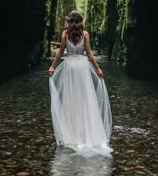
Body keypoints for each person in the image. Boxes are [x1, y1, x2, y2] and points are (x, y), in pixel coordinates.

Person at [48, 10, 112, 157]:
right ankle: (85, 132)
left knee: (70, 100)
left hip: (69, 67)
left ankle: (71, 133)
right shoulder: (86, 35)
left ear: (70, 21)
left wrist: (52, 66)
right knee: (85, 99)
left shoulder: (65, 34)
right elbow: (89, 54)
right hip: (82, 68)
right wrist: (98, 69)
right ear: (81, 21)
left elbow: (60, 53)